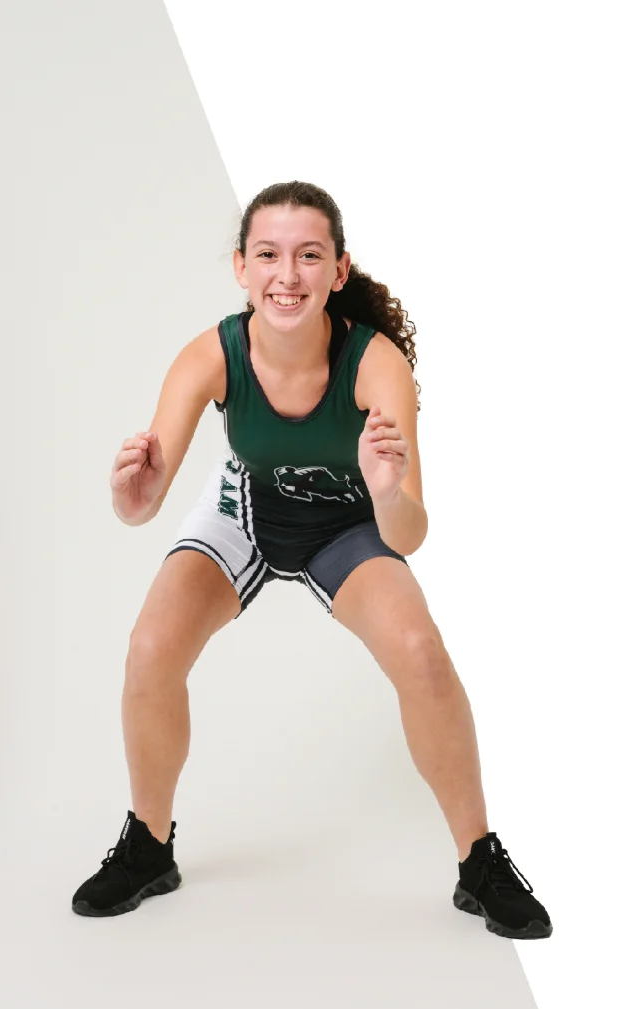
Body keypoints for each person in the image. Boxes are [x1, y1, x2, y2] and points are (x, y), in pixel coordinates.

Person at [69, 181, 551, 940]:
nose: (286, 275)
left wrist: (387, 489)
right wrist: (130, 492)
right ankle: (148, 846)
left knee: (421, 653)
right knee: (150, 649)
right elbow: (142, 504)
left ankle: (479, 862)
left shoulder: (374, 363)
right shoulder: (212, 353)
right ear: (240, 267)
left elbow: (409, 533)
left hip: (346, 527)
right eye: (268, 255)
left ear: (338, 268)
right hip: (247, 513)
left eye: (307, 256)